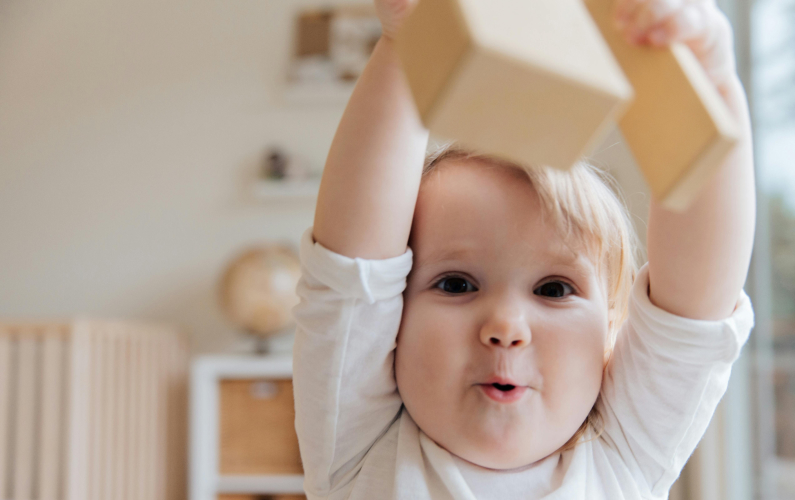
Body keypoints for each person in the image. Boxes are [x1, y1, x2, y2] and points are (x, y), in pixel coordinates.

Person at [292, 0, 756, 497]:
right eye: (456, 284)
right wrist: (411, 41)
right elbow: (353, 271)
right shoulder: (361, 445)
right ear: (391, 325)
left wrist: (711, 86)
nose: (506, 328)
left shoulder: (624, 451)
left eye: (554, 289)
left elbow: (693, 315)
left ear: (609, 336)